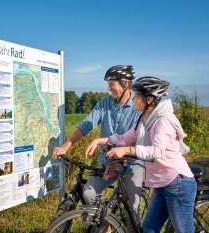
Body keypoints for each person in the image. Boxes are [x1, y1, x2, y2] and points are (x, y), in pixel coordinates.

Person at [85, 76, 197, 233]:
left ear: (149, 99)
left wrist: (127, 150)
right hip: (161, 184)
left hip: (177, 183)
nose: (134, 98)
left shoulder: (162, 121)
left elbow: (156, 151)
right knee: (149, 230)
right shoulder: (144, 120)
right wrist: (99, 140)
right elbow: (125, 138)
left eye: (137, 95)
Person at [53, 65, 143, 214]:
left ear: (125, 84)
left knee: (130, 212)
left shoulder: (137, 106)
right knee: (89, 194)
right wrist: (65, 147)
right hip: (106, 162)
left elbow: (137, 139)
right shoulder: (104, 103)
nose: (109, 88)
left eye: (112, 84)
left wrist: (118, 165)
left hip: (131, 165)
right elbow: (86, 125)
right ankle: (106, 223)